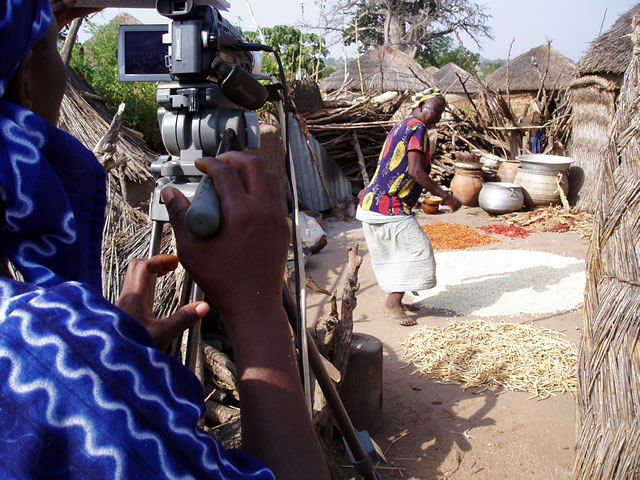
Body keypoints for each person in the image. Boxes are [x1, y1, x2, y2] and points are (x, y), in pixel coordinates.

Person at [0, 1, 329, 478]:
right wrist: (256, 307)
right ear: (27, 80)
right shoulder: (43, 360)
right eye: (53, 43)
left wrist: (115, 356)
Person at [356, 87, 461, 327]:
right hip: (387, 206)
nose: (438, 117)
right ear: (422, 106)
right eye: (436, 110)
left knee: (400, 252)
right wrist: (445, 196)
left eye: (442, 112)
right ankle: (392, 303)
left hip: (377, 202)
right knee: (419, 249)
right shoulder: (417, 128)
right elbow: (415, 171)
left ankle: (398, 299)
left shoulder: (403, 125)